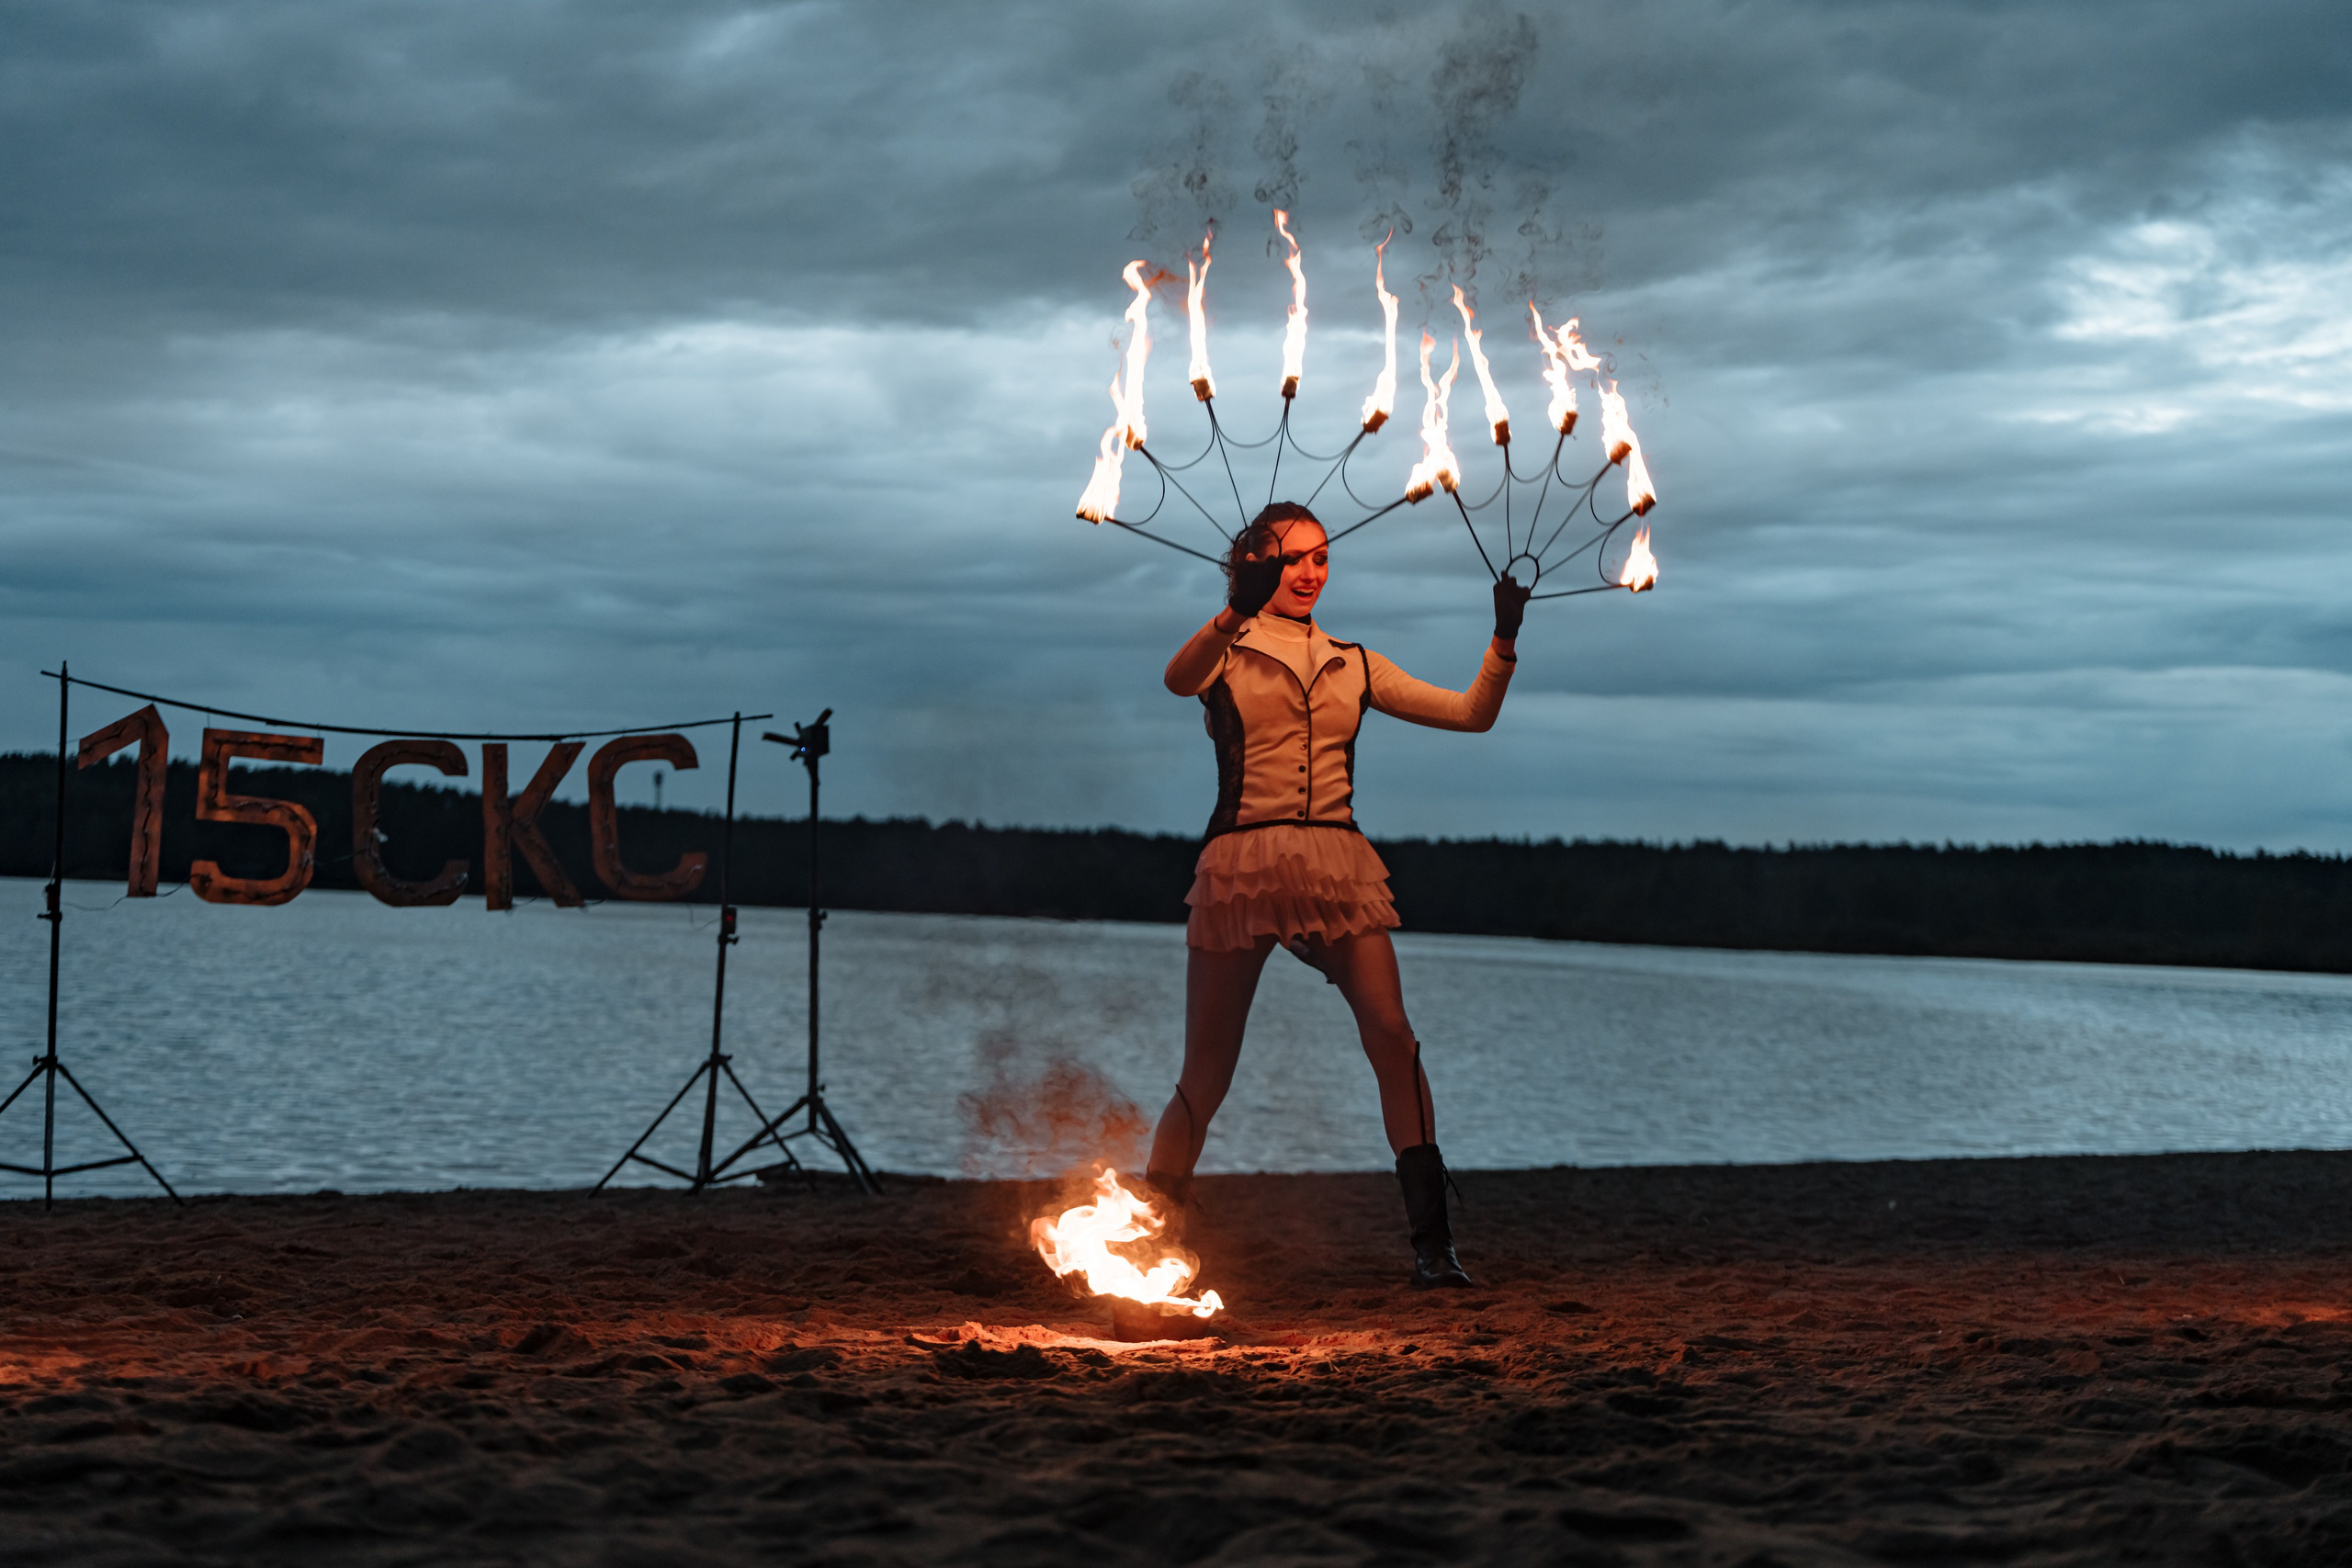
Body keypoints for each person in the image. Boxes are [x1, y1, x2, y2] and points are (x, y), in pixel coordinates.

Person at [1148, 500, 1531, 1289]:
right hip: (1243, 863)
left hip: (1335, 862)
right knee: (1208, 1070)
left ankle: (1434, 1247)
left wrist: (1503, 638)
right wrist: (1232, 612)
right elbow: (1174, 678)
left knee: (1393, 1033)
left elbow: (1472, 714)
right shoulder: (1227, 646)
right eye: (1292, 559)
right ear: (1255, 564)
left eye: (1321, 557)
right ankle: (1152, 1233)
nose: (1311, 572)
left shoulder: (1352, 660)